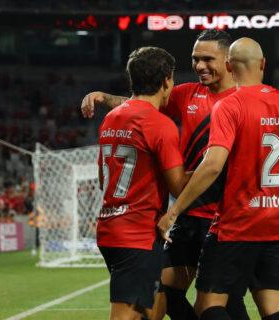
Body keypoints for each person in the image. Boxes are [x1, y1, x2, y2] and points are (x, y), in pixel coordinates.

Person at [157, 38, 279, 320]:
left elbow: (213, 165)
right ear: (264, 64)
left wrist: (174, 210)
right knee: (272, 306)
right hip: (278, 224)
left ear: (229, 66)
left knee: (207, 305)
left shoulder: (229, 106)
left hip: (237, 225)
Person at [81, 30, 249, 320]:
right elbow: (142, 103)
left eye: (208, 59)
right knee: (165, 294)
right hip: (187, 213)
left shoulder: (244, 100)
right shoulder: (186, 94)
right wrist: (105, 97)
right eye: (195, 59)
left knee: (225, 299)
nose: (199, 66)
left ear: (229, 61)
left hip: (226, 216)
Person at [96, 46, 188, 320]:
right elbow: (178, 186)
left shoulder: (111, 118)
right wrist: (212, 166)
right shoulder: (159, 124)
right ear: (167, 80)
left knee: (155, 305)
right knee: (126, 314)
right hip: (135, 234)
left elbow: (104, 180)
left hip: (111, 226)